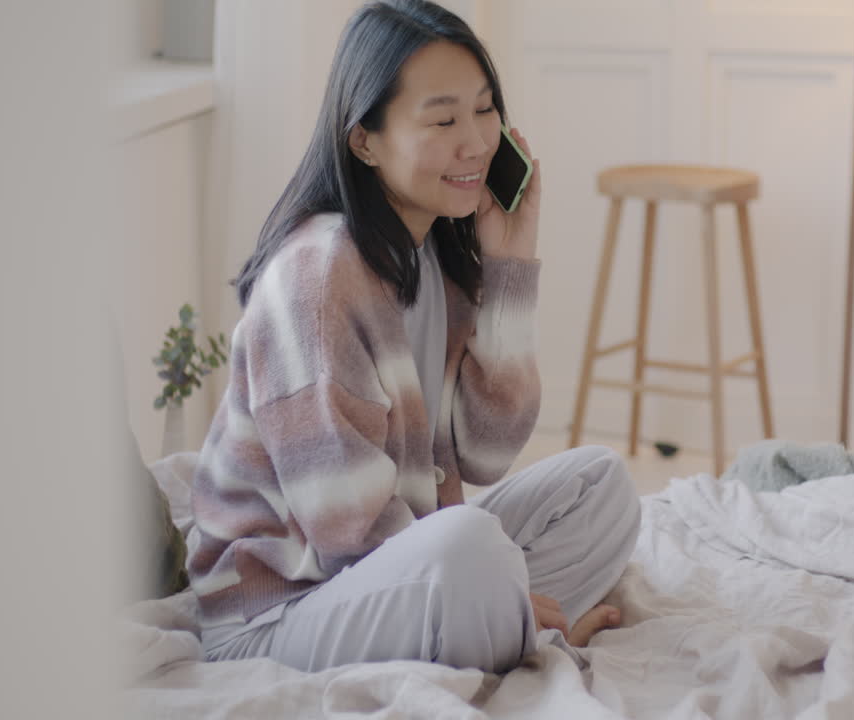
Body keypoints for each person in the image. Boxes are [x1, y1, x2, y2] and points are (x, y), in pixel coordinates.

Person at [186, 0, 641, 674]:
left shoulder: (435, 256)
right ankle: (509, 624)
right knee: (472, 551)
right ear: (364, 139)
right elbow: (348, 532)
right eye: (444, 119)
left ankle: (491, 621)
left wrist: (511, 266)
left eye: (486, 111)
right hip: (276, 612)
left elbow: (487, 452)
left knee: (603, 486)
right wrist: (500, 589)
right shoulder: (317, 279)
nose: (477, 142)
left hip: (390, 565)